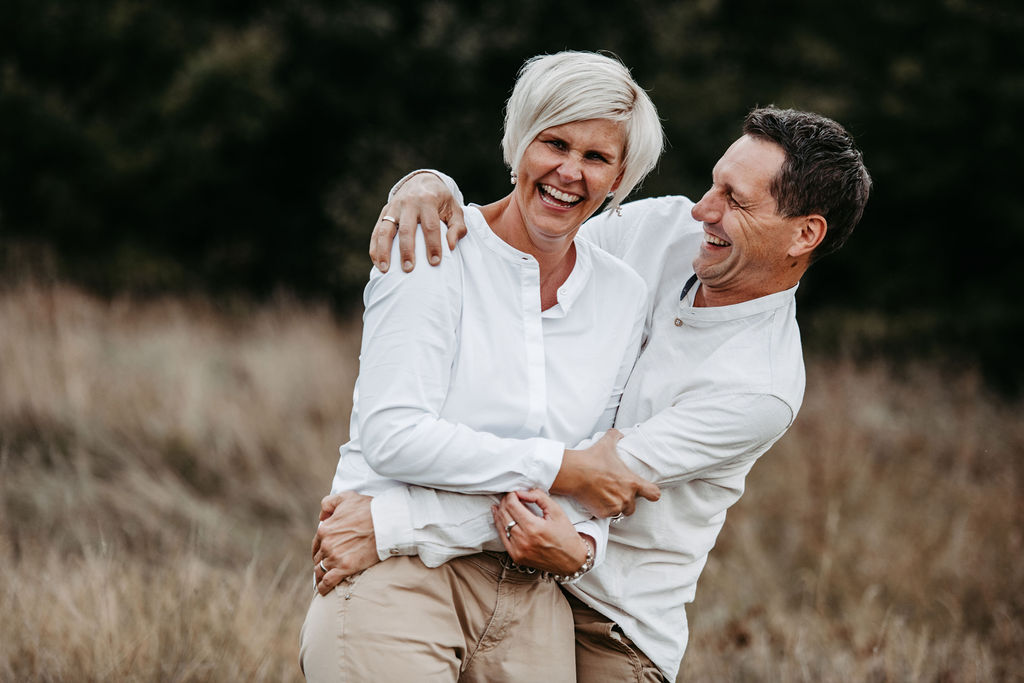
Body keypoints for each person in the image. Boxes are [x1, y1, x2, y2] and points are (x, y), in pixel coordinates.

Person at [315, 105, 872, 681]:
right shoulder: (661, 229)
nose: (701, 209)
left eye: (735, 200)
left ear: (804, 233)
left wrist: (391, 524)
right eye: (714, 184)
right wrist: (428, 186)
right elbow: (524, 238)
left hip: (612, 625)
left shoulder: (760, 388)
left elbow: (584, 487)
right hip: (498, 568)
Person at [300, 51, 664, 681]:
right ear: (519, 140)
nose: (569, 172)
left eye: (596, 157)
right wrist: (558, 469)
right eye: (554, 142)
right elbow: (394, 437)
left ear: (619, 177)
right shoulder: (436, 246)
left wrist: (577, 544)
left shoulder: (624, 294)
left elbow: (596, 481)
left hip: (532, 600)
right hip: (400, 581)